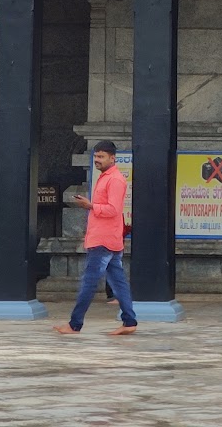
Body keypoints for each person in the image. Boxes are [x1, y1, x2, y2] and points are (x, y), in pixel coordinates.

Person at [54, 140, 137, 338]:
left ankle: (75, 324)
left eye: (101, 157)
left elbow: (113, 210)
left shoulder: (115, 179)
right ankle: (129, 321)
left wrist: (90, 206)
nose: (97, 160)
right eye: (96, 156)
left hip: (104, 241)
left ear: (112, 158)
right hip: (106, 238)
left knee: (89, 283)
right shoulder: (105, 177)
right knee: (118, 283)